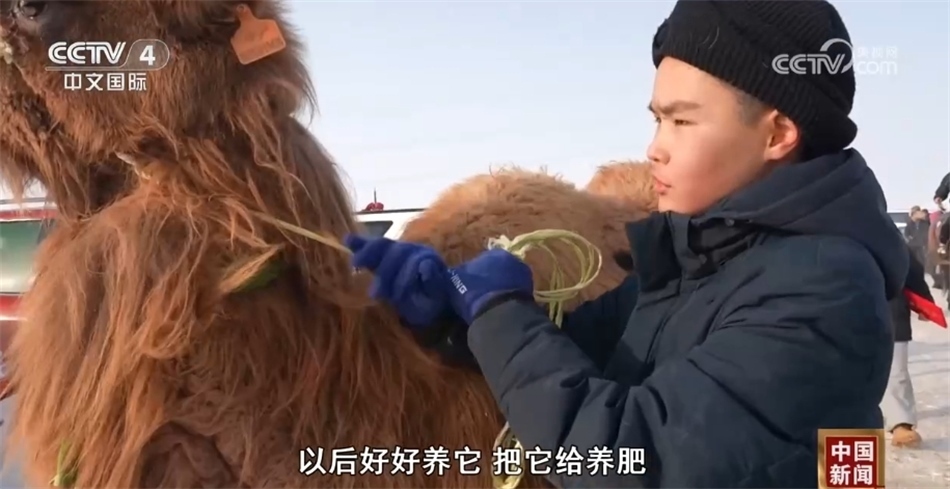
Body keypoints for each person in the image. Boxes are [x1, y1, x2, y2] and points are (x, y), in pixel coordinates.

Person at [346, 1, 907, 487]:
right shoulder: (699, 264)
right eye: (657, 120)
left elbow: (632, 457)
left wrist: (498, 311)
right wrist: (452, 313)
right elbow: (568, 347)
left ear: (778, 134)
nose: (654, 149)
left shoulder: (824, 290)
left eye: (681, 122)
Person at [884, 246, 935, 448]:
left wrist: (925, 302)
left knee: (895, 371)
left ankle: (900, 423)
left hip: (891, 312)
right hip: (839, 315)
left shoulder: (889, 240)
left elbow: (912, 271)